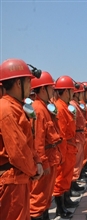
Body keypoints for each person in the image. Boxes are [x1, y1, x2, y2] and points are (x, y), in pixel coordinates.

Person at [0, 58, 44, 220]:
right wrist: (34, 170)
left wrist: (37, 161)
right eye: (28, 81)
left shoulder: (16, 107)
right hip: (12, 181)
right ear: (19, 83)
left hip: (20, 177)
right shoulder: (7, 110)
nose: (31, 86)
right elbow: (18, 151)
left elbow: (27, 142)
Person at [29, 71, 62, 220]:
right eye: (50, 88)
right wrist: (43, 162)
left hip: (51, 156)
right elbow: (38, 141)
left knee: (46, 196)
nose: (53, 91)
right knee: (38, 198)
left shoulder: (44, 107)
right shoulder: (39, 109)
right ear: (43, 89)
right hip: (46, 158)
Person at [53, 75, 78, 218]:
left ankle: (64, 203)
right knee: (61, 178)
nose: (73, 94)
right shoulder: (60, 108)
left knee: (66, 177)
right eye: (71, 91)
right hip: (65, 148)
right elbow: (62, 134)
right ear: (66, 91)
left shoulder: (64, 106)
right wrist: (61, 155)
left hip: (69, 147)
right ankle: (60, 208)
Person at [70, 82, 86, 193]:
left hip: (79, 135)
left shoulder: (75, 104)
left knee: (78, 161)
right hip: (76, 136)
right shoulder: (72, 105)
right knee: (75, 163)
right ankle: (71, 185)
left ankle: (74, 182)